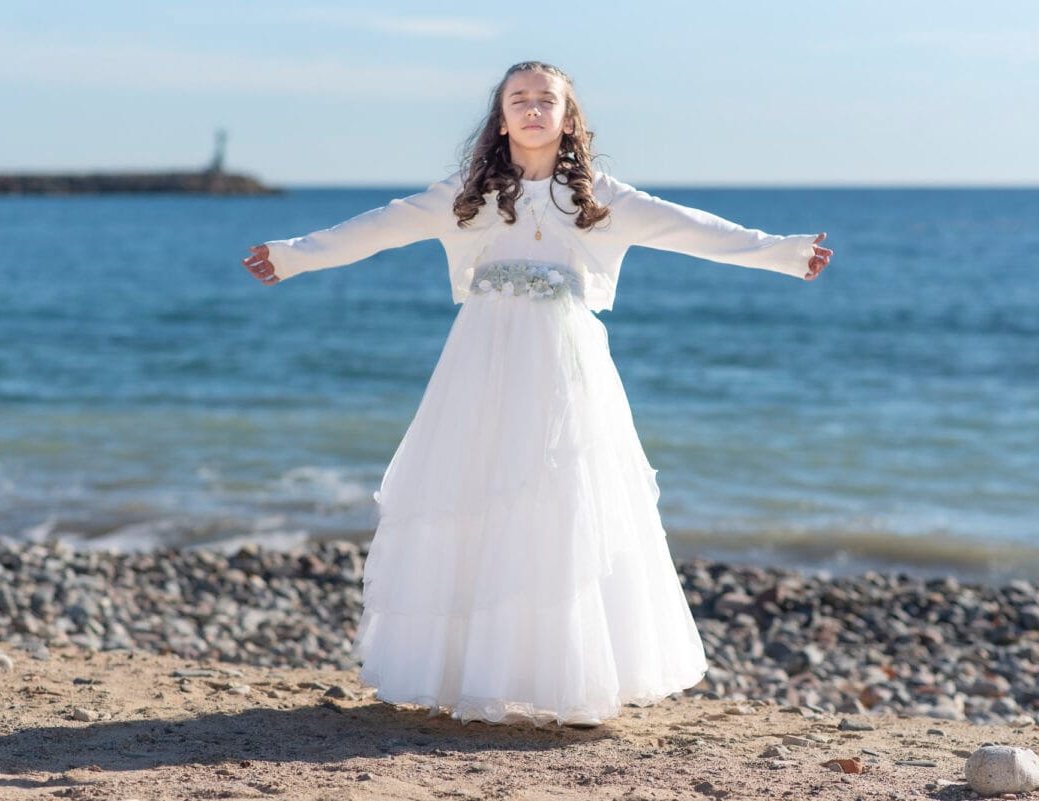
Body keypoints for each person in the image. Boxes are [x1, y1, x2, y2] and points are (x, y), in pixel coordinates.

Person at [242, 61, 832, 728]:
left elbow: (692, 229)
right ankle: (469, 674)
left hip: (565, 370)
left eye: (545, 99)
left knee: (565, 499)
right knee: (477, 493)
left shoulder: (600, 199)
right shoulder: (465, 196)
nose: (531, 108)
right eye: (517, 99)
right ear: (501, 119)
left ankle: (572, 681)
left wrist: (783, 252)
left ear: (566, 116)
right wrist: (294, 254)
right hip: (480, 367)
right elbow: (378, 227)